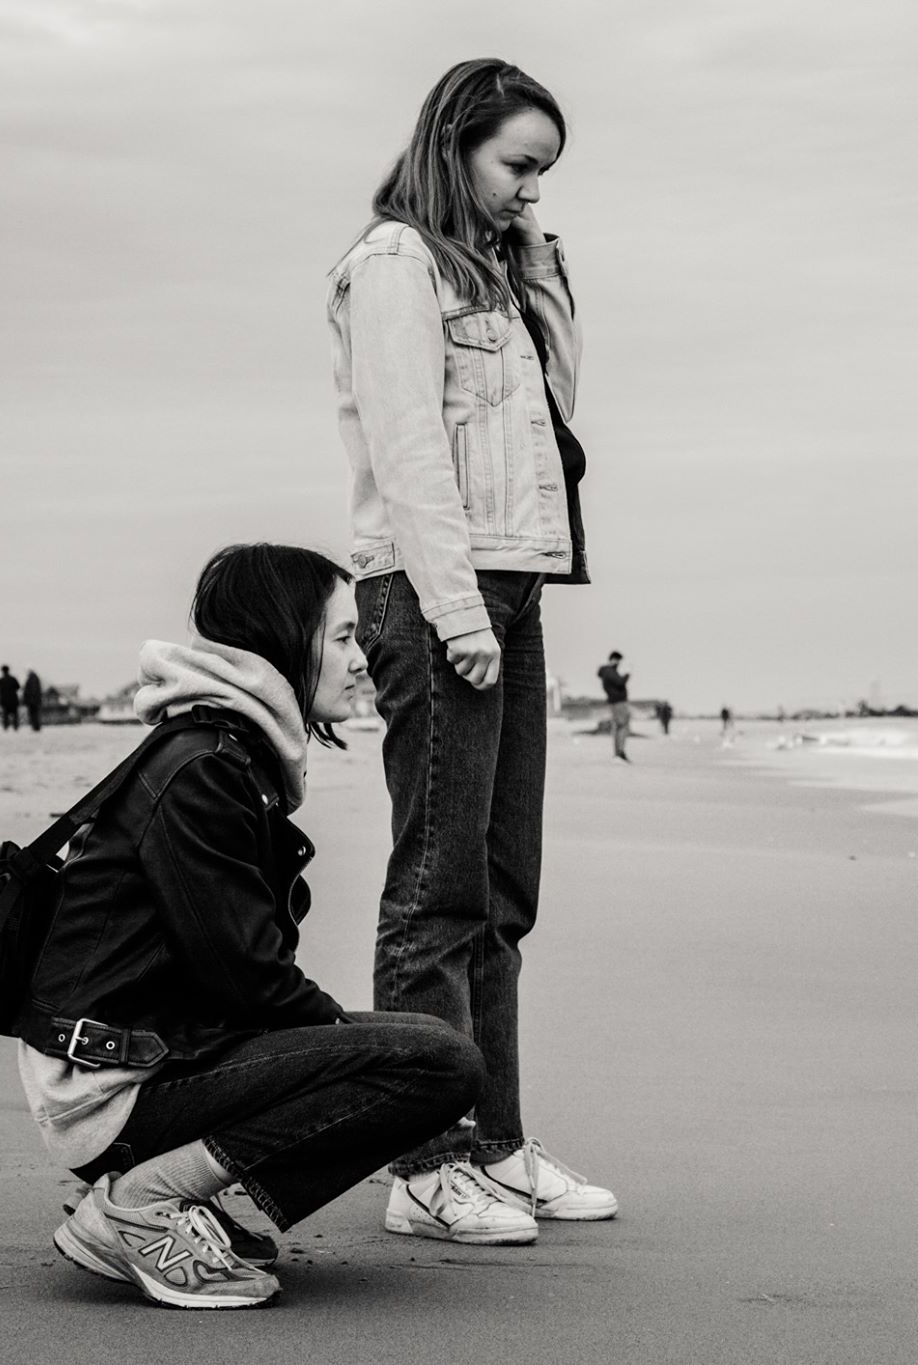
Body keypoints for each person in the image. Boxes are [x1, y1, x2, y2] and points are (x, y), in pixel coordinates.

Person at [23, 543, 484, 1309]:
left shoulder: (223, 752)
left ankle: (168, 1190)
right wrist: (343, 1046)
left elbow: (234, 974)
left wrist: (338, 1040)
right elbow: (246, 973)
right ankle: (144, 1201)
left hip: (147, 1053)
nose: (361, 659)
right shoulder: (204, 767)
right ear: (283, 636)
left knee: (411, 1041)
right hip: (112, 1086)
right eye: (343, 636)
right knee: (436, 1062)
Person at [329, 57, 616, 1246]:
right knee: (437, 889)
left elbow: (558, 401)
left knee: (501, 891)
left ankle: (493, 1145)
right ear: (454, 144)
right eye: (517, 167)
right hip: (432, 587)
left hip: (513, 581)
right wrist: (455, 615)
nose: (531, 192)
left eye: (545, 173)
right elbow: (408, 453)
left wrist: (536, 262)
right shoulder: (395, 266)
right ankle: (423, 1165)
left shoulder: (491, 272)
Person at [597, 651, 630, 762]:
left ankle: (618, 753)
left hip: (615, 701)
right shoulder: (609, 671)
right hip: (618, 702)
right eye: (618, 660)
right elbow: (620, 682)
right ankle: (620, 752)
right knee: (622, 726)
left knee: (618, 726)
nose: (619, 663)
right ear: (613, 659)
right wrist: (627, 674)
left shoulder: (607, 671)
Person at [0, 665, 21, 731]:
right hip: (13, 700)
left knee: (5, 715)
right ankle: (15, 727)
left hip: (4, 701)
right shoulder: (13, 679)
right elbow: (18, 687)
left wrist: (0, 691)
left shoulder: (1, 680)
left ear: (2, 671)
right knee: (15, 714)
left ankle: (6, 727)